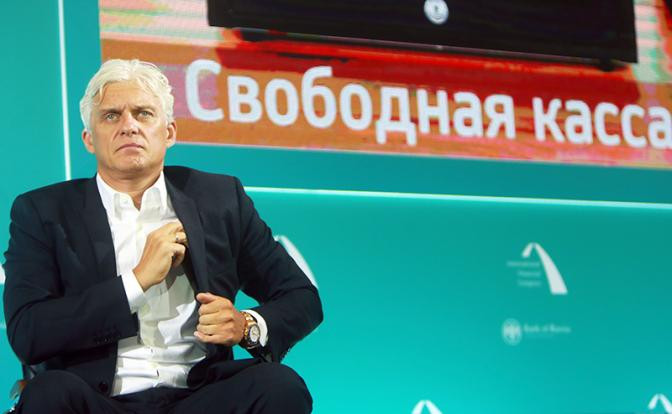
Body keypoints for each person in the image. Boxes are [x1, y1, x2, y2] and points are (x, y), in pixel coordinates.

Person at [3, 59, 323, 413]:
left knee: (279, 386)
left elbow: (300, 297)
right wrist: (136, 282)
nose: (129, 126)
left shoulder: (219, 200)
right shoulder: (44, 212)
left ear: (169, 132)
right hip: (98, 400)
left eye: (143, 114)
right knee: (49, 394)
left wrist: (246, 325)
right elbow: (28, 332)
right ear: (89, 139)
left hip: (200, 395)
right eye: (111, 116)